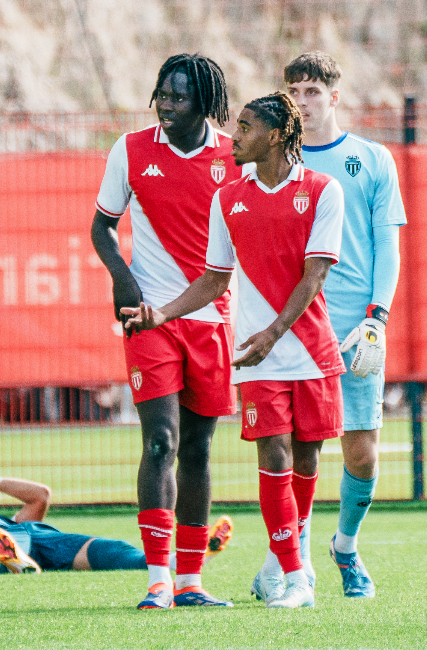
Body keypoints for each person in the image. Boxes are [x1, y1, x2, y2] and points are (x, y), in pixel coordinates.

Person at [123, 91, 345, 609]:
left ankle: (283, 563)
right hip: (255, 357)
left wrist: (274, 333)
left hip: (309, 350)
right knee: (274, 455)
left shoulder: (322, 190)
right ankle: (297, 580)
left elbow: (315, 276)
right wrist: (163, 312)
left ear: (273, 135)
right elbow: (214, 281)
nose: (233, 137)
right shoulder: (228, 198)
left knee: (306, 466)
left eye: (244, 128)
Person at [90, 53, 243, 609]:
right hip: (149, 319)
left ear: (205, 103)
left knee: (199, 451)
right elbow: (101, 229)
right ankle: (157, 581)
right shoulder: (130, 149)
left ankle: (191, 582)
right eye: (163, 96)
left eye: (180, 98)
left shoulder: (233, 155)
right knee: (161, 440)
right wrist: (124, 282)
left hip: (212, 320)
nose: (169, 106)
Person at [281, 51, 407, 598]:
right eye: (294, 93)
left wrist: (377, 316)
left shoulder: (372, 159)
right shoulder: (274, 161)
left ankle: (346, 548)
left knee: (362, 452)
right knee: (293, 449)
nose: (303, 103)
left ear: (334, 97)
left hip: (357, 327)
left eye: (312, 92)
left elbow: (387, 244)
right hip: (294, 325)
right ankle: (296, 563)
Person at [0, 467, 234, 578]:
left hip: (28, 538)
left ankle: (181, 560)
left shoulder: (4, 521)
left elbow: (41, 495)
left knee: (111, 549)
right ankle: (7, 562)